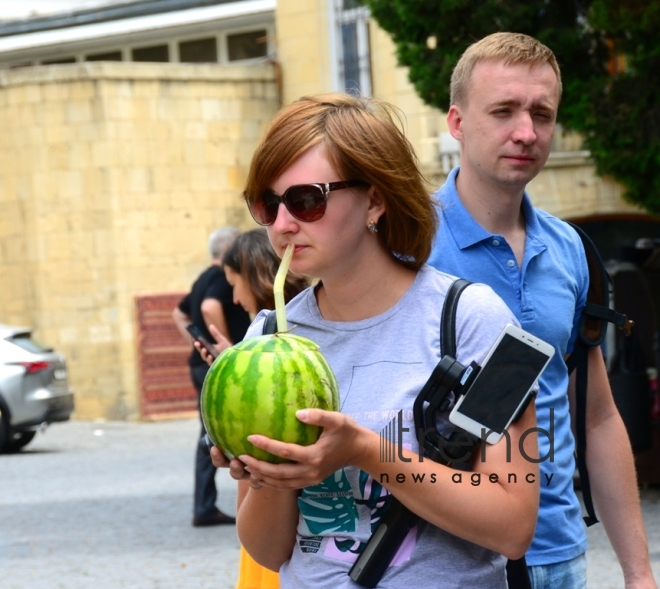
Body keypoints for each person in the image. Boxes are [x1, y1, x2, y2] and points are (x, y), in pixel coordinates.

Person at [209, 93, 541, 588]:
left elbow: (512, 525)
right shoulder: (265, 337)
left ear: (376, 200)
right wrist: (267, 474)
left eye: (306, 200)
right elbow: (268, 549)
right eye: (267, 203)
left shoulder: (477, 320)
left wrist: (367, 451)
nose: (281, 225)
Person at [427, 32, 658, 589]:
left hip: (559, 554)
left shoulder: (569, 250)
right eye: (503, 111)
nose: (526, 132)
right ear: (457, 123)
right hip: (445, 561)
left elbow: (597, 415)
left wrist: (638, 570)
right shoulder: (405, 243)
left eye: (542, 113)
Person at [198, 228, 307, 589]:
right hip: (265, 525)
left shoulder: (286, 335)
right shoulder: (260, 333)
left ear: (253, 275)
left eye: (234, 283)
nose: (233, 295)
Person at [172, 227, 251, 527]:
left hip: (201, 363)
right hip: (216, 365)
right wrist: (227, 350)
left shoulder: (202, 277)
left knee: (207, 432)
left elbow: (179, 315)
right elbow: (208, 306)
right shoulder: (219, 278)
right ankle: (205, 506)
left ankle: (204, 504)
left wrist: (197, 342)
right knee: (212, 436)